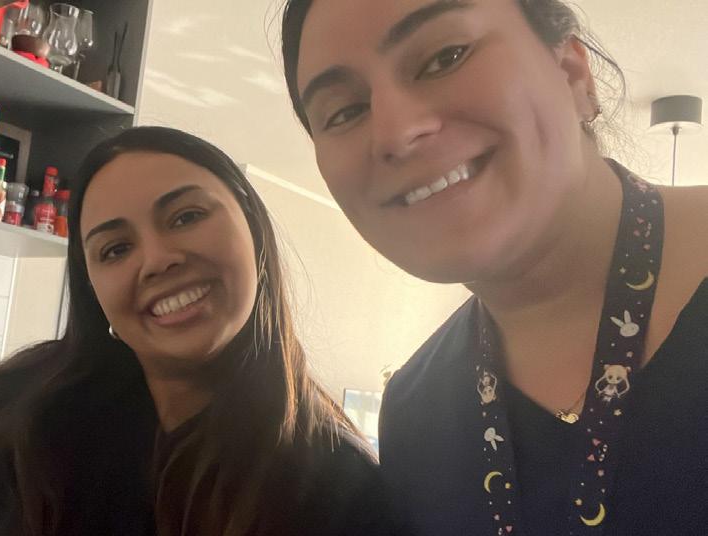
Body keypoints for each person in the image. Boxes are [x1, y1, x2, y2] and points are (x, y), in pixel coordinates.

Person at [280, 0, 708, 535]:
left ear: (572, 74)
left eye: (444, 57)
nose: (394, 132)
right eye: (343, 112)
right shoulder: (415, 412)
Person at [0, 126, 395, 536]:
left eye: (185, 217)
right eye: (115, 249)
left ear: (253, 228)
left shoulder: (340, 488)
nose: (156, 260)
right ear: (93, 291)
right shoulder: (24, 422)